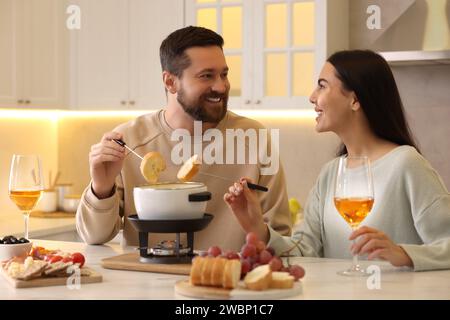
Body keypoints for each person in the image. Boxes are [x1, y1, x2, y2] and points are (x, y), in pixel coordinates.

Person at [224, 50, 450, 271]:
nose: (312, 97)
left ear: (354, 100)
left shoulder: (406, 163)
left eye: (322, 85)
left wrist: (403, 253)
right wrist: (258, 228)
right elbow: (305, 250)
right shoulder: (331, 173)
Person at [76, 26, 292, 251]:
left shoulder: (254, 139)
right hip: (146, 282)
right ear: (170, 82)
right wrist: (101, 187)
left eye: (224, 74)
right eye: (207, 76)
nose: (221, 86)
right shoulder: (129, 141)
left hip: (228, 280)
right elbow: (94, 237)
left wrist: (256, 227)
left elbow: (283, 241)